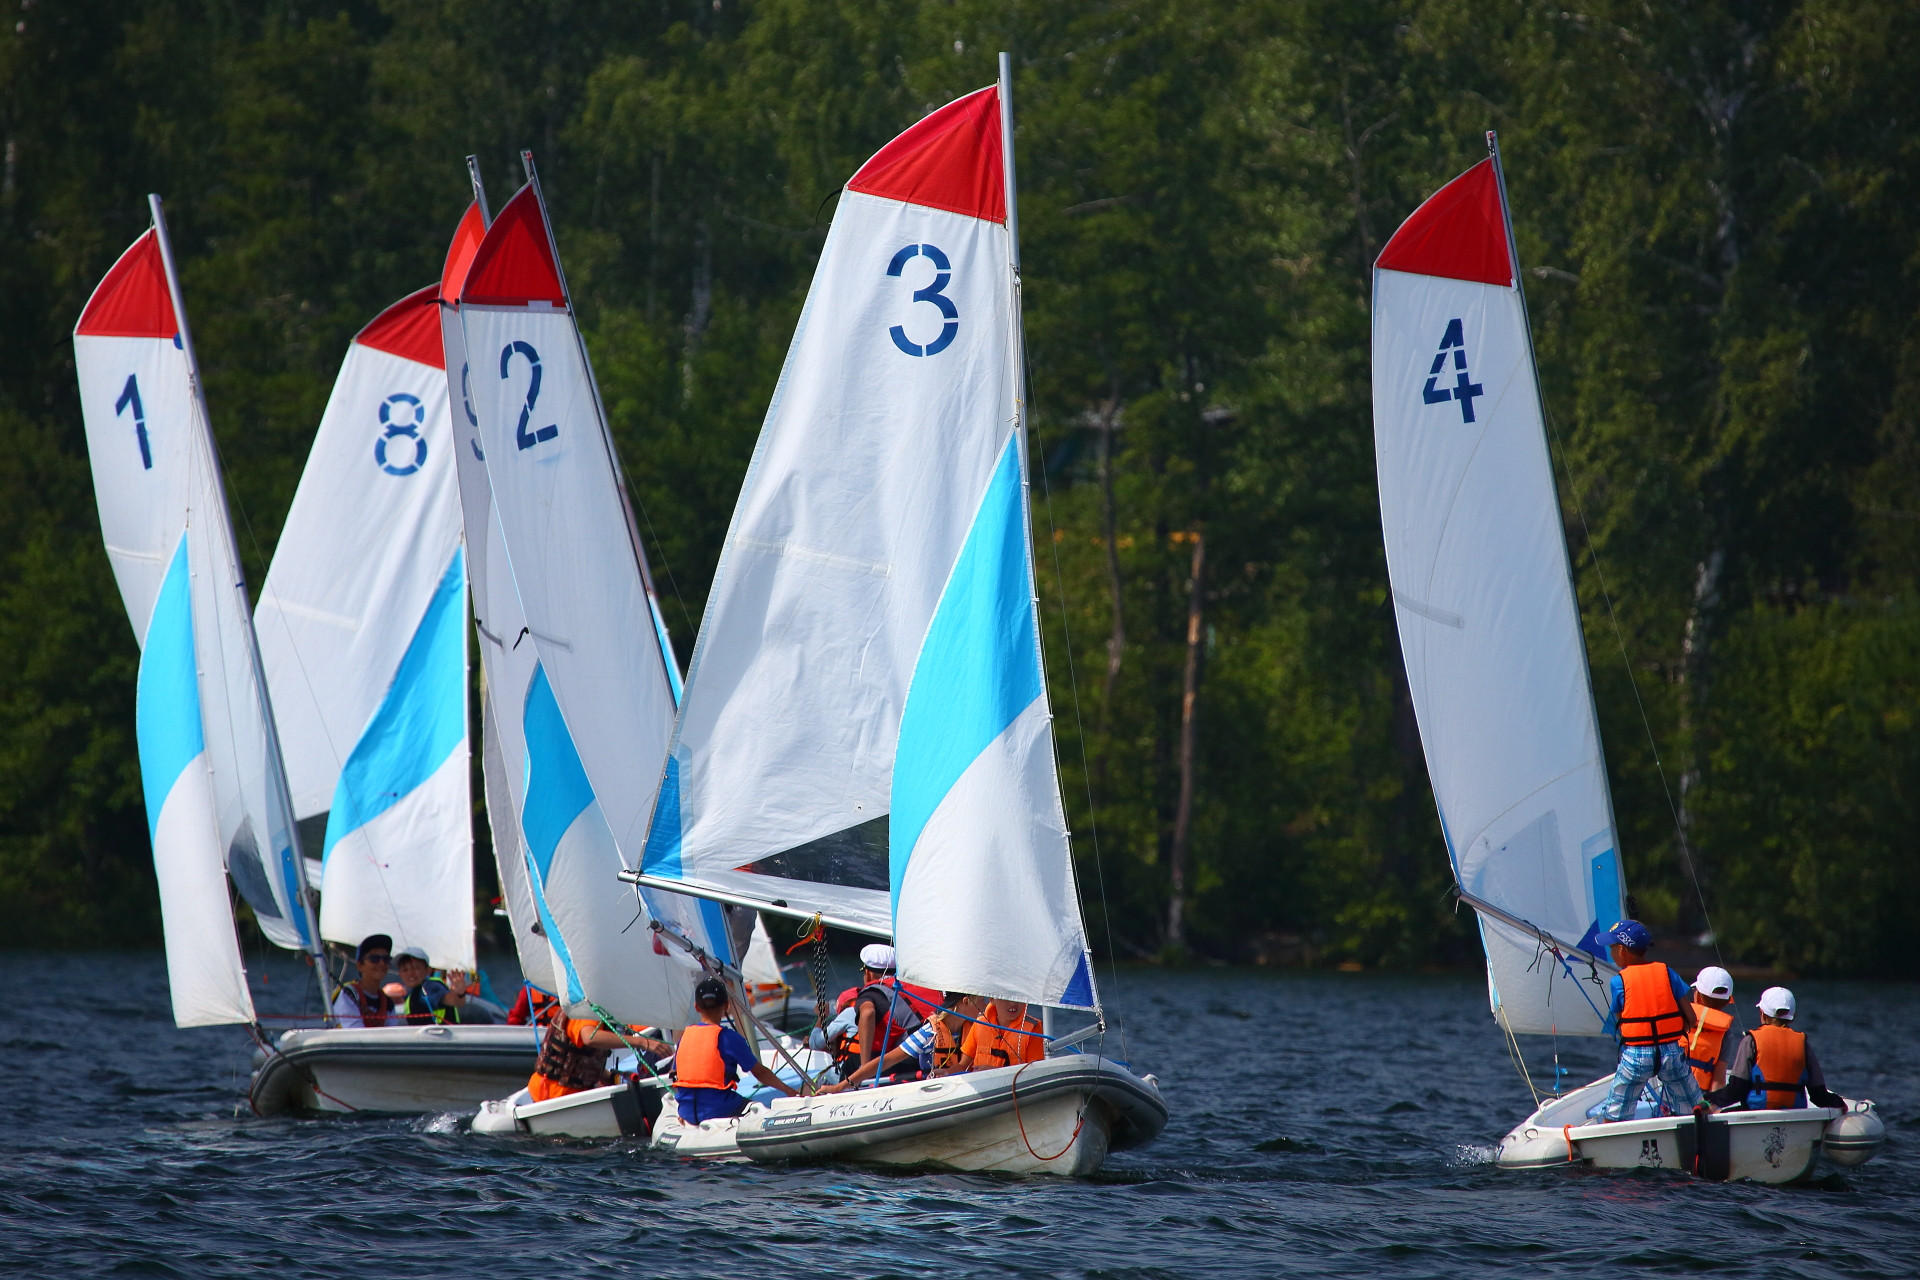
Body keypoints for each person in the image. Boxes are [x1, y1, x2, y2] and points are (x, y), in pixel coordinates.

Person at [1587, 920, 1704, 1122]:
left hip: (1637, 1057)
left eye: (1612, 948)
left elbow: (1622, 1024)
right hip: (1671, 1053)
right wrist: (1671, 1032)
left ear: (1622, 950)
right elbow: (1692, 1019)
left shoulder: (1618, 982)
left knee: (1614, 1115)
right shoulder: (1668, 972)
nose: (1611, 953)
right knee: (1695, 1108)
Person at [674, 977, 801, 1125]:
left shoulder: (685, 1038)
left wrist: (686, 1111)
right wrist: (788, 1090)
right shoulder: (729, 1038)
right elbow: (760, 1073)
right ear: (727, 1006)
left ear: (696, 1007)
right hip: (720, 1110)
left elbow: (680, 1077)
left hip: (687, 1112)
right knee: (759, 1109)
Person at [1704, 987, 1845, 1111]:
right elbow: (1818, 1095)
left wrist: (1709, 1099)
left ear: (1763, 1014)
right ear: (1792, 1017)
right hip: (1795, 1113)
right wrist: (1839, 1103)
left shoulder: (1750, 1040)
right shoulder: (1803, 1043)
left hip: (1756, 1113)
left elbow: (1735, 1091)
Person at [825, 993, 980, 1092]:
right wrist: (841, 1087)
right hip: (934, 1091)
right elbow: (885, 1061)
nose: (984, 1007)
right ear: (965, 1002)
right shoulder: (929, 1033)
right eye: (981, 1001)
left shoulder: (973, 1028)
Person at [528, 1013, 671, 1104]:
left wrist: (603, 1075)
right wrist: (643, 1043)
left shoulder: (587, 1008)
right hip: (557, 1094)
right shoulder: (585, 1009)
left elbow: (576, 1055)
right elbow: (589, 1037)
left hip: (558, 1089)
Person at [850, 944, 940, 1073]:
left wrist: (864, 1068)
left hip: (907, 1059)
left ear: (868, 973)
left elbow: (868, 1013)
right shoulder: (920, 984)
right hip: (936, 1054)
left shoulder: (872, 993)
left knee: (852, 1062)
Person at [1684, 965, 1738, 1092]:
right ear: (1727, 1001)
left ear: (1698, 995)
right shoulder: (1726, 1034)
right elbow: (1719, 1078)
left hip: (1669, 1092)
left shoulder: (1680, 1018)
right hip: (1699, 1097)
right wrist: (1711, 1104)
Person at [330, 934, 397, 1028]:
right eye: (374, 959)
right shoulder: (348, 995)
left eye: (386, 959)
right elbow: (355, 1035)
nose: (382, 963)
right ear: (360, 966)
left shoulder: (388, 1002)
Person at [394, 946, 472, 1025]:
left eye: (415, 968)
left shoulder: (430, 987)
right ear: (400, 974)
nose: (410, 973)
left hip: (441, 1036)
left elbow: (456, 1001)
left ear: (428, 970)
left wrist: (459, 993)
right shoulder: (411, 992)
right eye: (405, 970)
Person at [962, 998, 1046, 1071]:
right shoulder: (980, 1022)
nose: (1013, 1003)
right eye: (1006, 998)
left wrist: (995, 1072)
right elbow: (963, 1066)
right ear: (992, 999)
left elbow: (1035, 1072)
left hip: (1013, 1088)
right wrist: (948, 1072)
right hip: (980, 1087)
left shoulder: (1033, 1028)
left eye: (1018, 997)